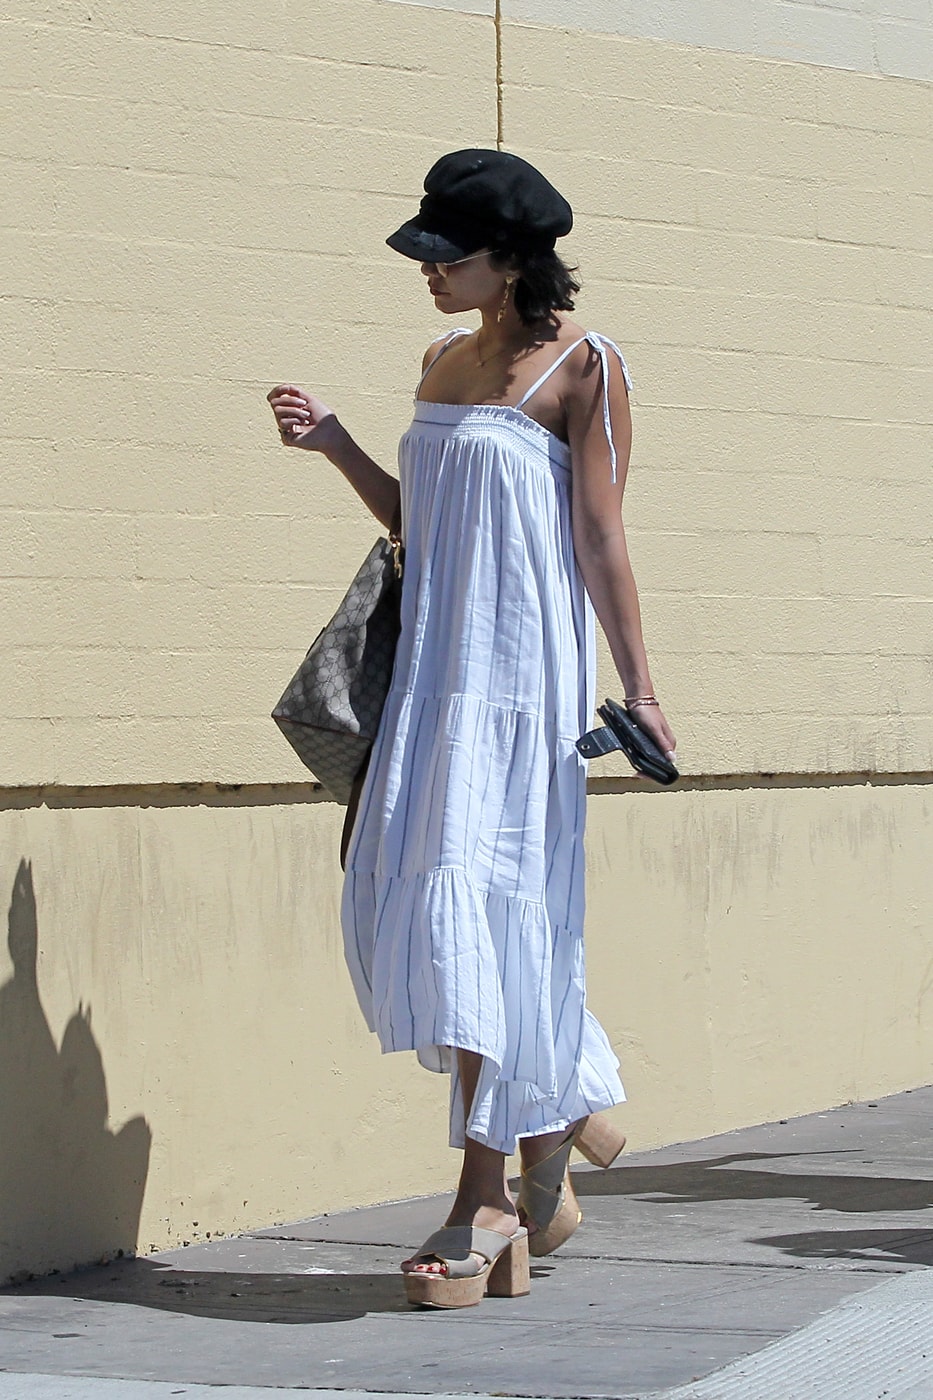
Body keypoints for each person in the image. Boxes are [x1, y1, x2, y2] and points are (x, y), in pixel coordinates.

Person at [267, 149, 676, 1310]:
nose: (430, 274)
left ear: (512, 262)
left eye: (449, 255)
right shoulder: (442, 362)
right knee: (424, 900)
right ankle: (552, 1114)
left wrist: (642, 688)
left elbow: (601, 539)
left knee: (486, 915)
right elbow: (427, 529)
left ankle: (487, 1198)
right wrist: (339, 444)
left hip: (521, 688)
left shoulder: (586, 369)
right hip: (435, 683)